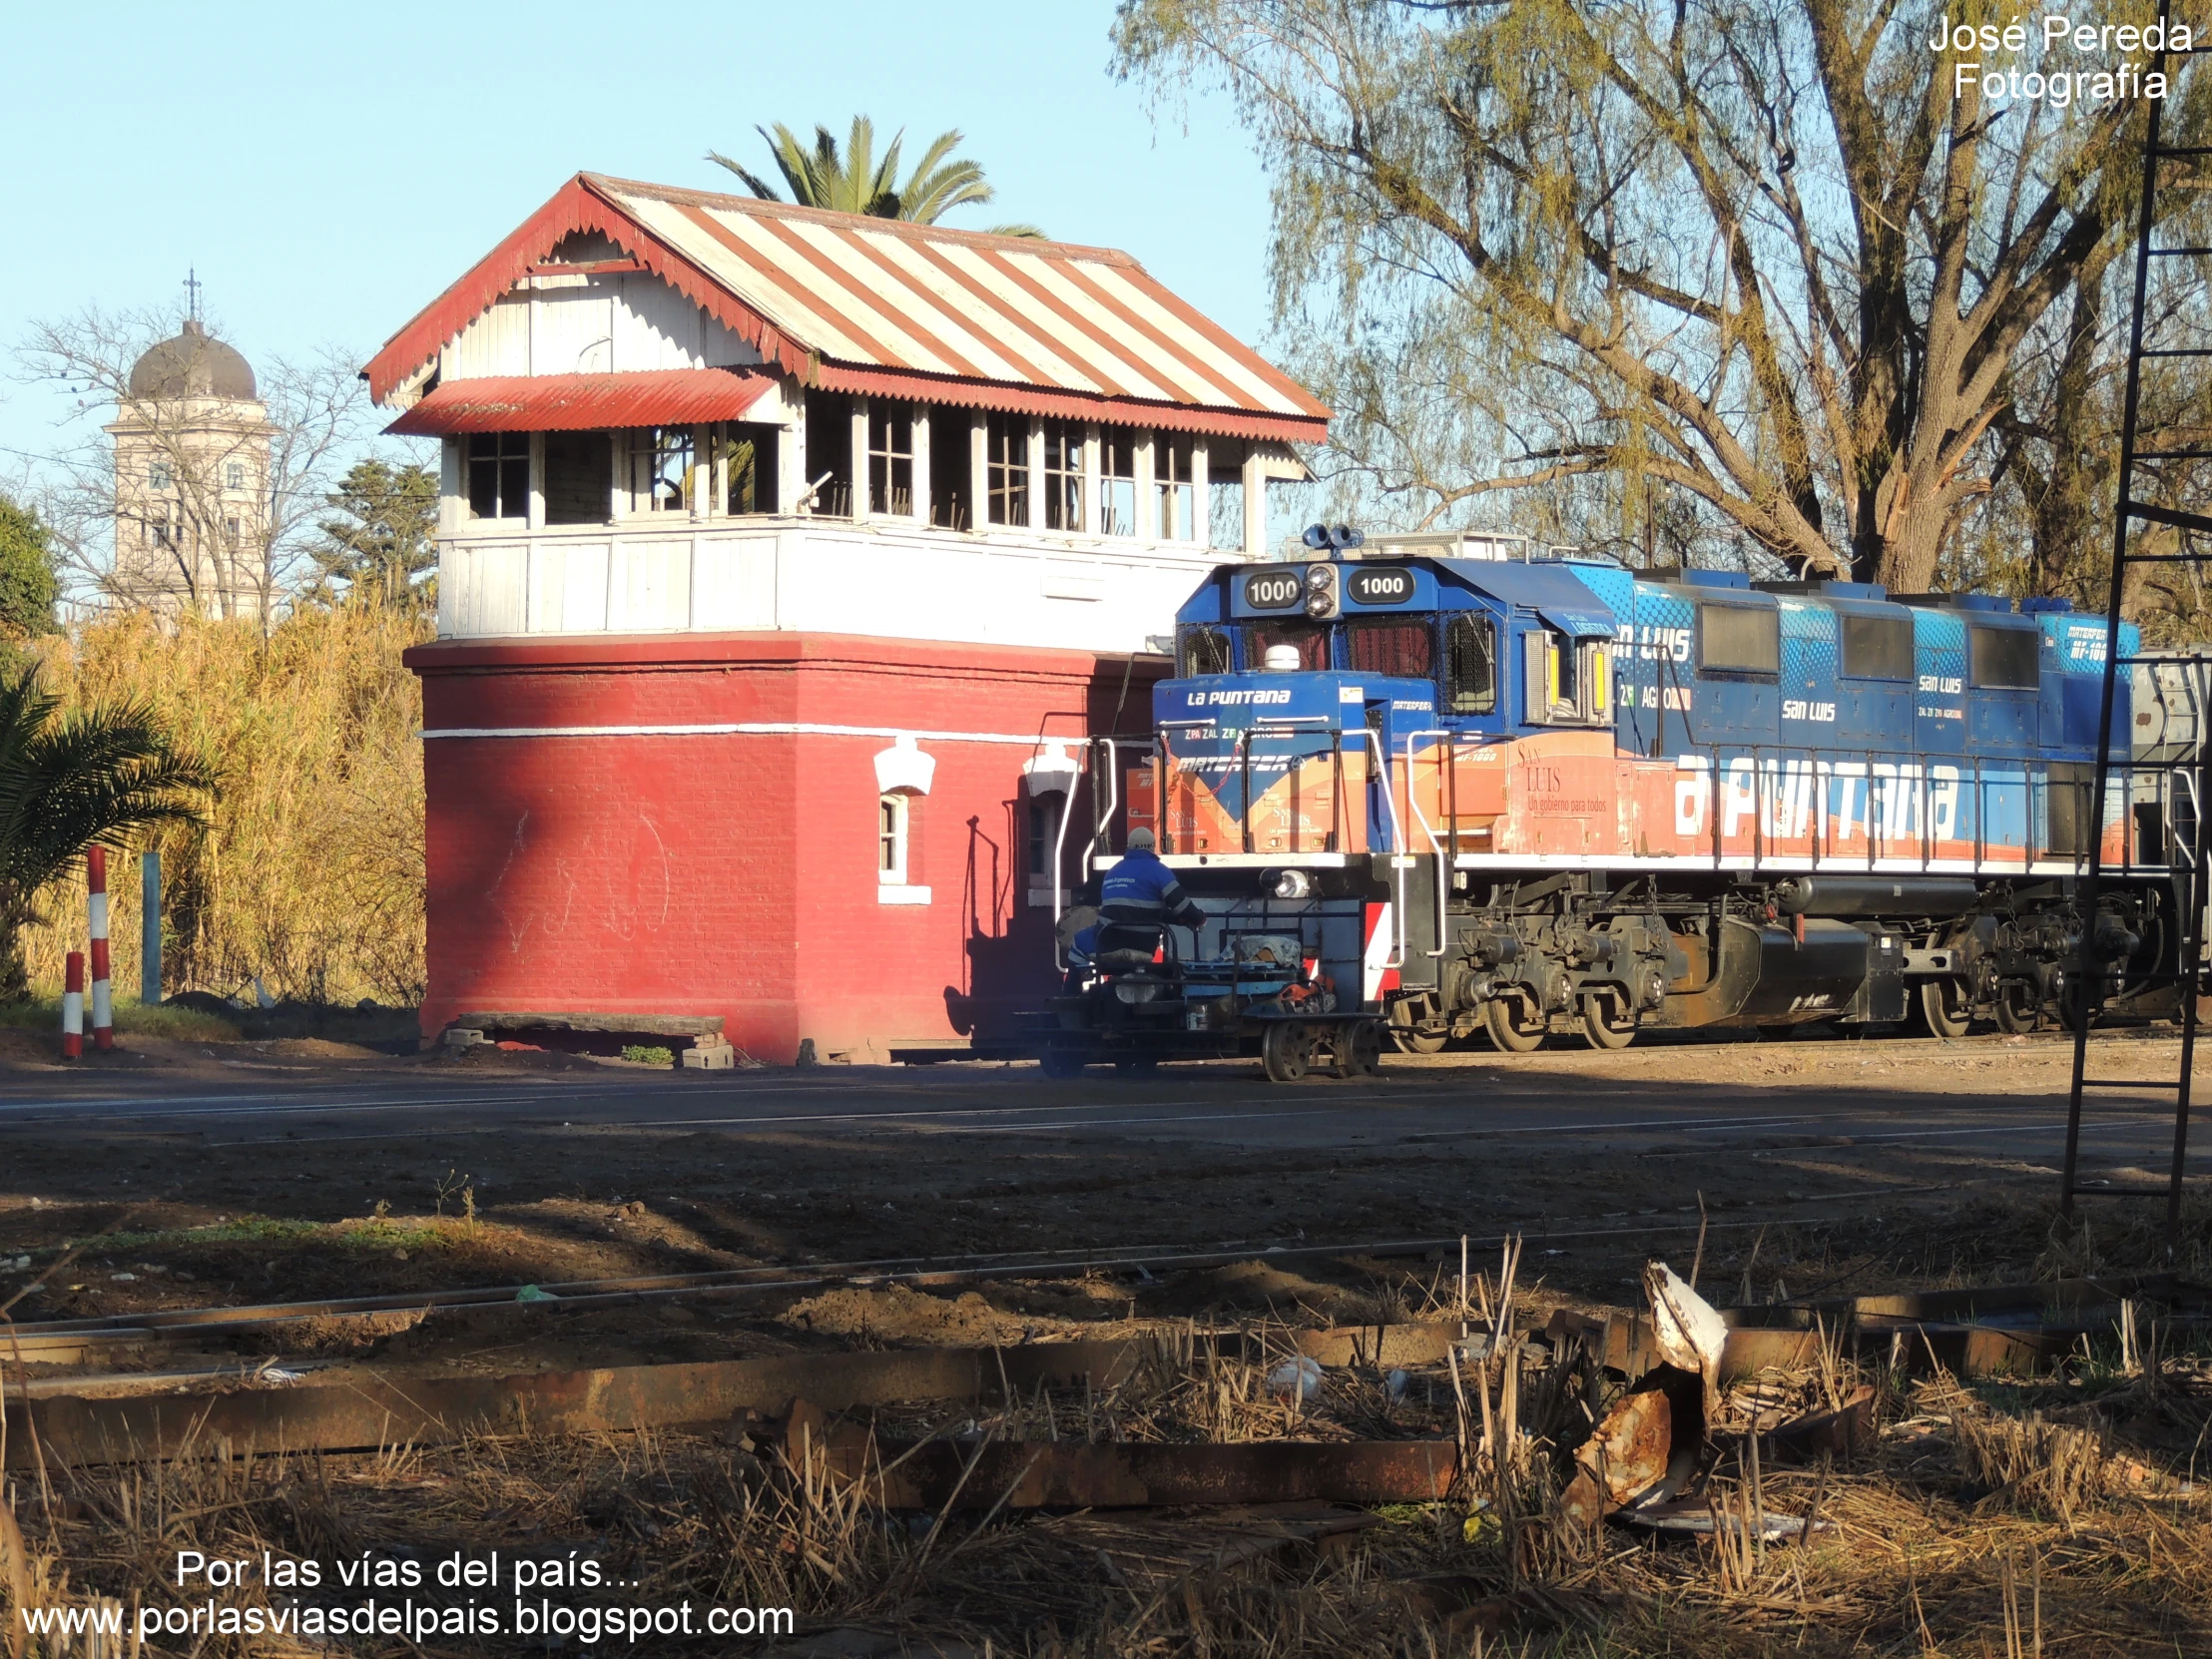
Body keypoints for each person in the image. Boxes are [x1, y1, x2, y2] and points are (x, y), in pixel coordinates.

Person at [1095, 828, 1205, 959]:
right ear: (1152, 847)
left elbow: (1133, 910)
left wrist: (1176, 919)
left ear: (1129, 846)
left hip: (1108, 943)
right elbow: (1182, 906)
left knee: (1078, 945)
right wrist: (1199, 919)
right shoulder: (1159, 871)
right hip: (1142, 944)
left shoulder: (1111, 872)